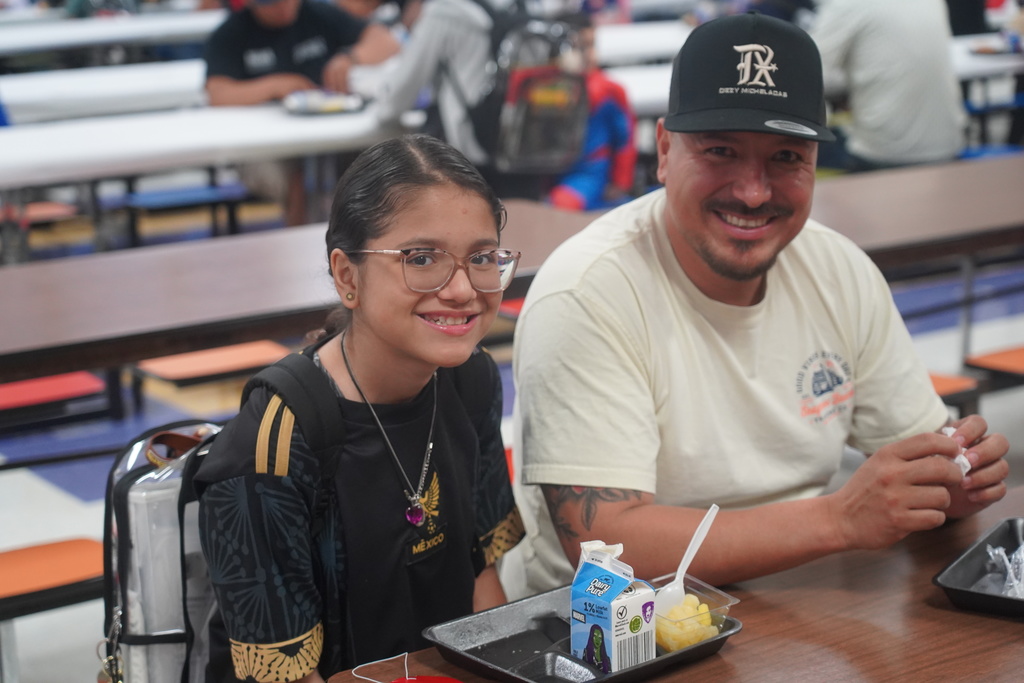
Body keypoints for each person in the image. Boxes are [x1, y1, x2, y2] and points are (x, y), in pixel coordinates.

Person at [497, 12, 1010, 601]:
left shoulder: (839, 270)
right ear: (663, 150)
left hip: (792, 600)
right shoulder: (588, 292)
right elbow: (610, 547)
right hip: (608, 627)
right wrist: (840, 518)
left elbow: (918, 466)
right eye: (720, 150)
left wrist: (953, 478)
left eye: (786, 157)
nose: (753, 191)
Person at [195, 134, 526, 682]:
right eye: (422, 259)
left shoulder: (472, 380)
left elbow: (480, 580)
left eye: (482, 258)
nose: (463, 289)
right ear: (348, 276)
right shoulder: (275, 442)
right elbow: (286, 674)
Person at [203, 0, 399, 225]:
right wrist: (274, 86)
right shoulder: (231, 33)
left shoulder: (319, 14)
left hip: (333, 133)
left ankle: (354, 231)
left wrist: (350, 57)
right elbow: (217, 94)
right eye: (273, 4)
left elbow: (386, 41)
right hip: (268, 141)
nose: (284, 8)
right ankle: (301, 232)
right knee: (292, 177)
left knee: (368, 165)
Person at [810, 0, 968, 171]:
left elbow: (807, 75)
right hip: (949, 147)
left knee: (797, 146)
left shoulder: (847, 5)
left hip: (884, 156)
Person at [547, 11, 637, 212]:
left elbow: (625, 139)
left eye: (592, 45)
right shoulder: (542, 81)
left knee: (560, 205)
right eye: (579, 47)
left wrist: (621, 182)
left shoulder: (609, 90)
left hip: (588, 172)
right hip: (544, 172)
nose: (590, 54)